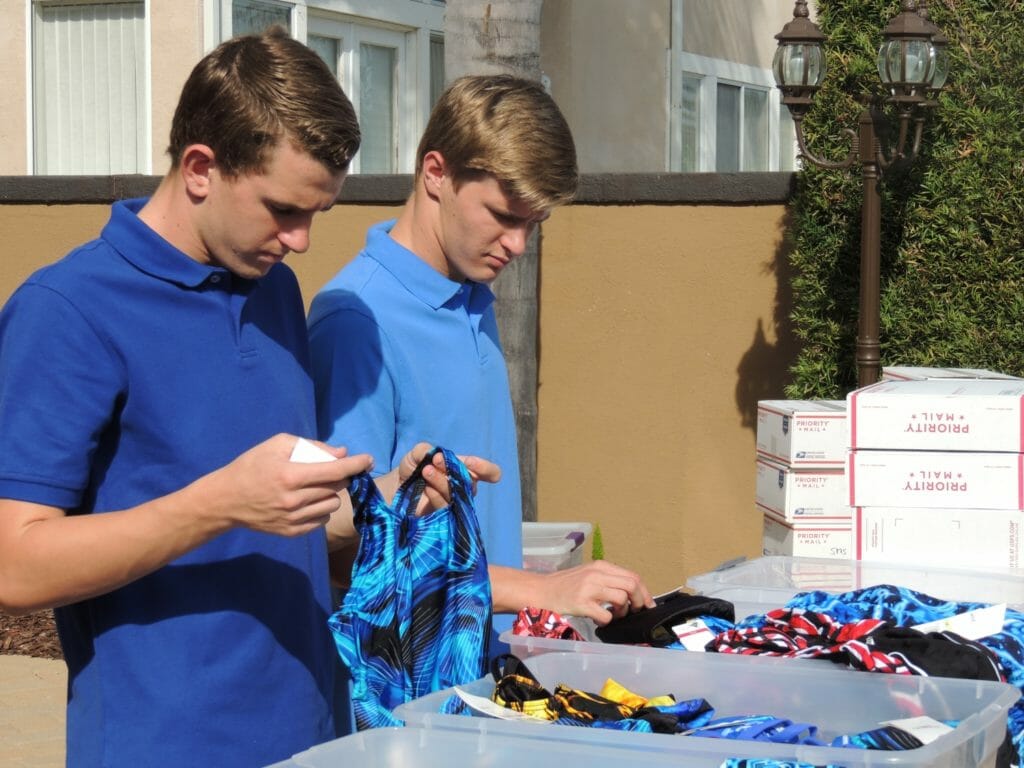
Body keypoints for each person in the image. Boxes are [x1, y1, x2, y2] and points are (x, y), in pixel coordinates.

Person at [0, 29, 496, 768]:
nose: (299, 241)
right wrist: (219, 503)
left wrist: (381, 504)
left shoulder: (274, 293)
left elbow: (283, 531)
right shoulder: (68, 310)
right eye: (281, 210)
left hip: (312, 732)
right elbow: (15, 564)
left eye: (316, 215)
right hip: (161, 747)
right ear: (200, 167)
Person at [308, 74, 654, 652]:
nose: (517, 244)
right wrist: (537, 589)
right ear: (436, 173)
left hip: (475, 681)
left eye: (532, 224)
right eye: (502, 215)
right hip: (399, 702)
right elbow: (342, 554)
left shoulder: (468, 293)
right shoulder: (355, 323)